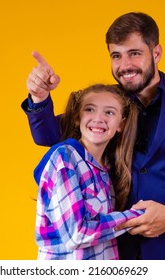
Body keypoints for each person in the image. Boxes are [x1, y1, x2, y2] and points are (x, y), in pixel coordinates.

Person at [22, 12, 165, 260]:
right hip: (114, 253)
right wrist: (39, 97)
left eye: (134, 53)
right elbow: (47, 135)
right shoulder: (106, 103)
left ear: (156, 53)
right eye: (116, 55)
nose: (124, 65)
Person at [33, 83, 143, 260]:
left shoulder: (106, 169)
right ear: (77, 117)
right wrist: (137, 216)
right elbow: (75, 234)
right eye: (90, 110)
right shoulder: (66, 158)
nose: (98, 119)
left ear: (121, 124)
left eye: (109, 112)